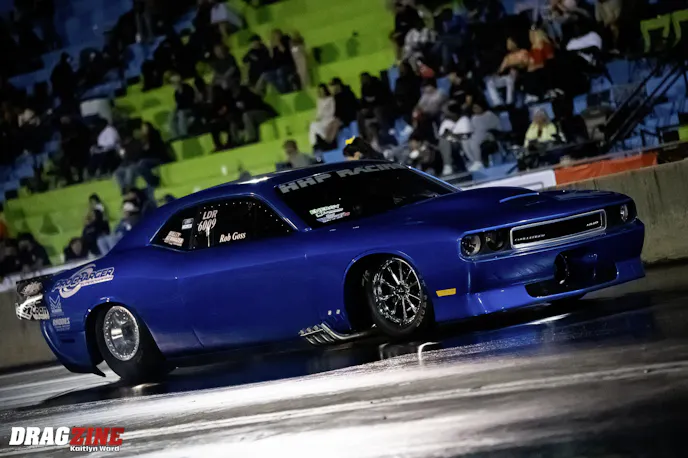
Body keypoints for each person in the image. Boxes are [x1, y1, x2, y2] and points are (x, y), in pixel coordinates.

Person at [486, 37, 530, 107]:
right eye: (508, 43)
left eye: (510, 43)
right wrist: (496, 73)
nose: (509, 45)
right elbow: (501, 69)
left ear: (515, 43)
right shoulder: (507, 57)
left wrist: (513, 65)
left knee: (511, 75)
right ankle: (498, 103)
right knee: (489, 81)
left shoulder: (523, 52)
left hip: (519, 74)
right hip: (507, 76)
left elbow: (526, 64)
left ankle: (510, 102)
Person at [357, 72, 393, 140]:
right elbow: (363, 100)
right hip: (370, 108)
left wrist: (371, 104)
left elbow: (381, 98)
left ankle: (385, 129)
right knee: (360, 114)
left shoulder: (377, 85)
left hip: (380, 106)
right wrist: (363, 108)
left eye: (363, 78)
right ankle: (363, 134)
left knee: (377, 111)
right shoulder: (364, 87)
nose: (362, 80)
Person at [467, 101, 501, 171]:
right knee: (468, 141)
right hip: (478, 136)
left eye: (477, 107)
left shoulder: (489, 114)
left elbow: (497, 127)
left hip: (489, 135)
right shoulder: (474, 118)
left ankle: (478, 161)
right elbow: (471, 129)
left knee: (477, 139)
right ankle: (475, 161)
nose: (475, 109)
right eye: (474, 108)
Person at [309, 84, 338, 151]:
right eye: (320, 91)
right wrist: (318, 118)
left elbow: (332, 111)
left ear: (325, 90)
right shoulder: (319, 100)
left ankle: (326, 138)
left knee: (315, 126)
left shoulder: (331, 99)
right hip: (322, 120)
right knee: (312, 125)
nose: (322, 92)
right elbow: (318, 112)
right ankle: (314, 144)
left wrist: (323, 114)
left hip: (330, 119)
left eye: (322, 90)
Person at [169, 73, 196, 139]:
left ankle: (183, 134)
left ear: (179, 82)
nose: (173, 85)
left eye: (174, 82)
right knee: (172, 116)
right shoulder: (176, 93)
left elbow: (190, 102)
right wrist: (175, 111)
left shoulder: (188, 88)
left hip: (191, 109)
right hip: (182, 109)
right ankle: (175, 136)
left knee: (181, 114)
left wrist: (180, 109)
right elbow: (178, 104)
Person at [270, 29, 297, 94]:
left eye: (275, 35)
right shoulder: (274, 46)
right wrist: (271, 48)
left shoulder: (286, 40)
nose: (274, 37)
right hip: (278, 67)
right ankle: (284, 91)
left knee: (280, 71)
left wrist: (278, 42)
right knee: (268, 75)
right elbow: (272, 58)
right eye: (273, 36)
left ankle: (286, 91)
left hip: (289, 65)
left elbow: (284, 51)